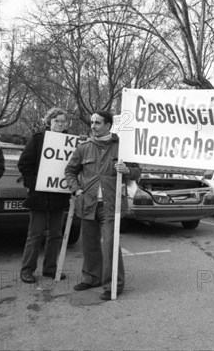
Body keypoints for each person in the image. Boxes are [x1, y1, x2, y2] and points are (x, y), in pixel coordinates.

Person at [65, 110, 140, 301]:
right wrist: (77, 190)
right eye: (92, 122)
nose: (93, 126)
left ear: (108, 125)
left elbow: (138, 171)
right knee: (89, 245)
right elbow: (70, 170)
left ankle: (113, 285)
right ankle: (92, 278)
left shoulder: (122, 148)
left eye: (97, 123)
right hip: (88, 203)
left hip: (111, 205)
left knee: (110, 246)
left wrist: (128, 170)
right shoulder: (84, 148)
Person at [17, 108, 72, 284]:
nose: (60, 124)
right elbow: (25, 164)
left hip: (59, 195)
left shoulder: (70, 143)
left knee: (55, 234)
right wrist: (33, 185)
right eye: (56, 121)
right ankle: (27, 270)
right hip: (39, 195)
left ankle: (50, 269)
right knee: (35, 234)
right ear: (49, 122)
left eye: (63, 122)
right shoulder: (38, 139)